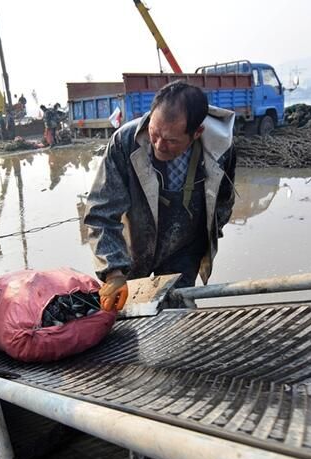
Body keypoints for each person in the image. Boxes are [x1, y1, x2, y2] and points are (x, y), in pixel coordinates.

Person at [84, 81, 236, 311]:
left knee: (177, 312)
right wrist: (113, 271)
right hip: (133, 248)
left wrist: (209, 236)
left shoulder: (221, 149)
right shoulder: (125, 142)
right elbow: (100, 212)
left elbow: (223, 202)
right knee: (124, 311)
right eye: (154, 134)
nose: (159, 145)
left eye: (172, 140)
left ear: (197, 133)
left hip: (184, 250)